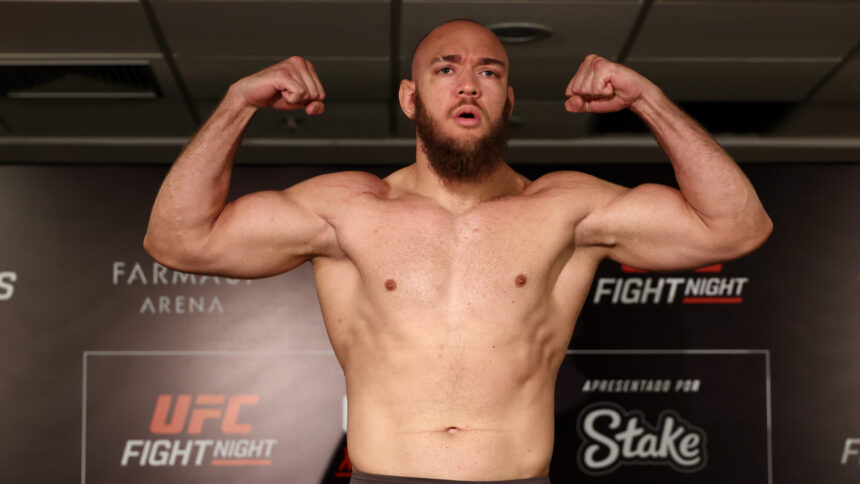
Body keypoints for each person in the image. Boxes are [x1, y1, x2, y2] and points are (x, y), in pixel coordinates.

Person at [144, 19, 772, 484]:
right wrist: (235, 106)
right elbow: (178, 240)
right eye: (445, 69)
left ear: (508, 99)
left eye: (489, 72)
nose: (468, 86)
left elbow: (735, 228)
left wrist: (646, 100)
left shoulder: (566, 209)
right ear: (409, 98)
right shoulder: (348, 210)